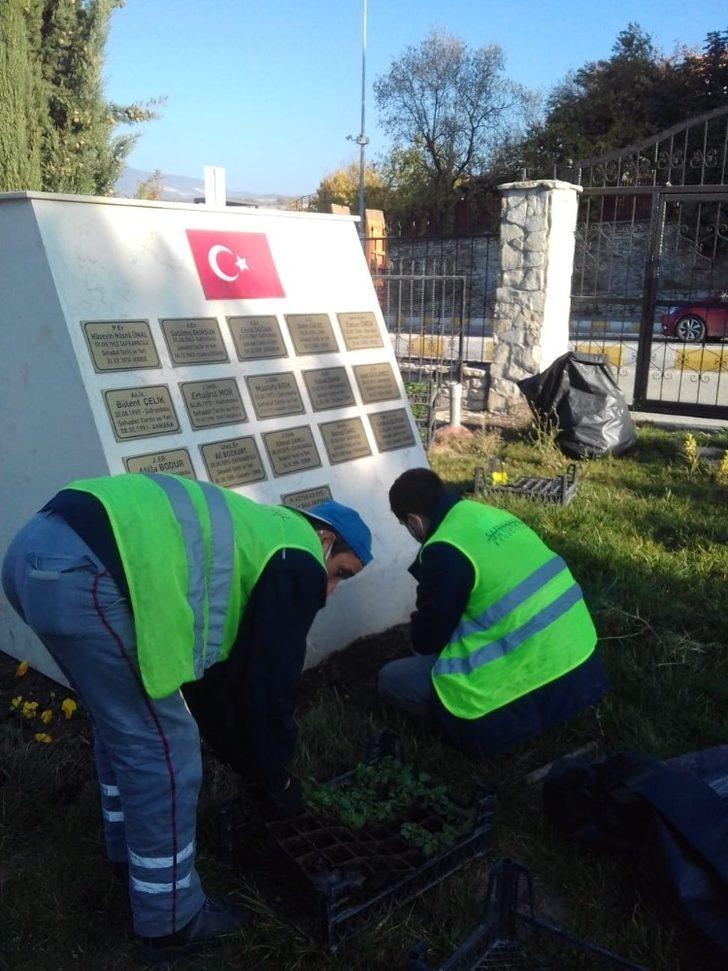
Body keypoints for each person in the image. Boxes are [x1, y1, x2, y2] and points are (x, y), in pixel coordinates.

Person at [1, 473, 372, 962]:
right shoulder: (298, 558)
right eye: (341, 572)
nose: (331, 591)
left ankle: (125, 854)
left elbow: (219, 685)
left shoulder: (261, 533)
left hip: (33, 553)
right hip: (83, 572)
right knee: (165, 750)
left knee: (123, 731)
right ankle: (171, 921)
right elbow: (268, 692)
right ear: (325, 538)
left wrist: (243, 753)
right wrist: (276, 778)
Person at [378, 468, 606, 759]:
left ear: (414, 521)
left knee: (392, 679)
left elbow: (428, 640)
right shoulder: (490, 515)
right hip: (581, 667)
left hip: (510, 699)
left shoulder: (444, 550)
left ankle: (485, 724)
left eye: (405, 526)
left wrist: (418, 629)